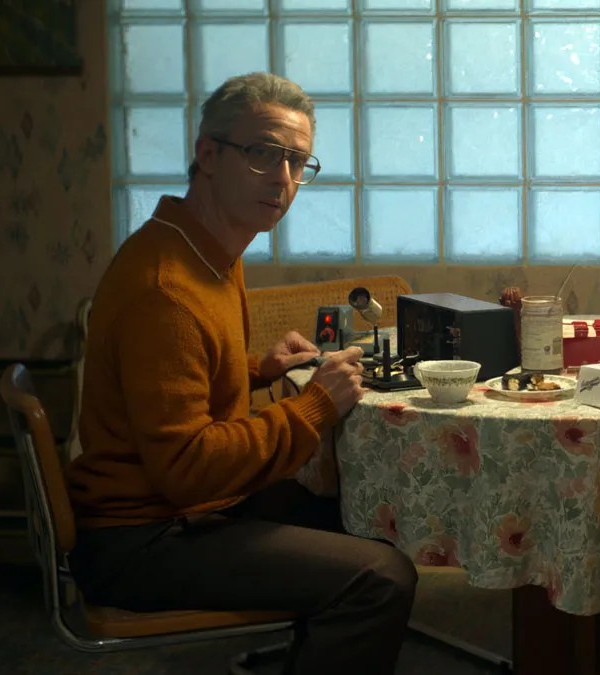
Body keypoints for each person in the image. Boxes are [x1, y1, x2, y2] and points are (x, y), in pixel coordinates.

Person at [66, 72, 417, 674]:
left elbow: (174, 382)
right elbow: (188, 469)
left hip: (180, 507)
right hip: (142, 536)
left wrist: (260, 369)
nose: (283, 179)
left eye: (297, 161)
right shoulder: (166, 289)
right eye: (262, 153)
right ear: (208, 155)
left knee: (368, 513)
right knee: (380, 577)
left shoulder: (204, 249)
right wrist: (315, 405)